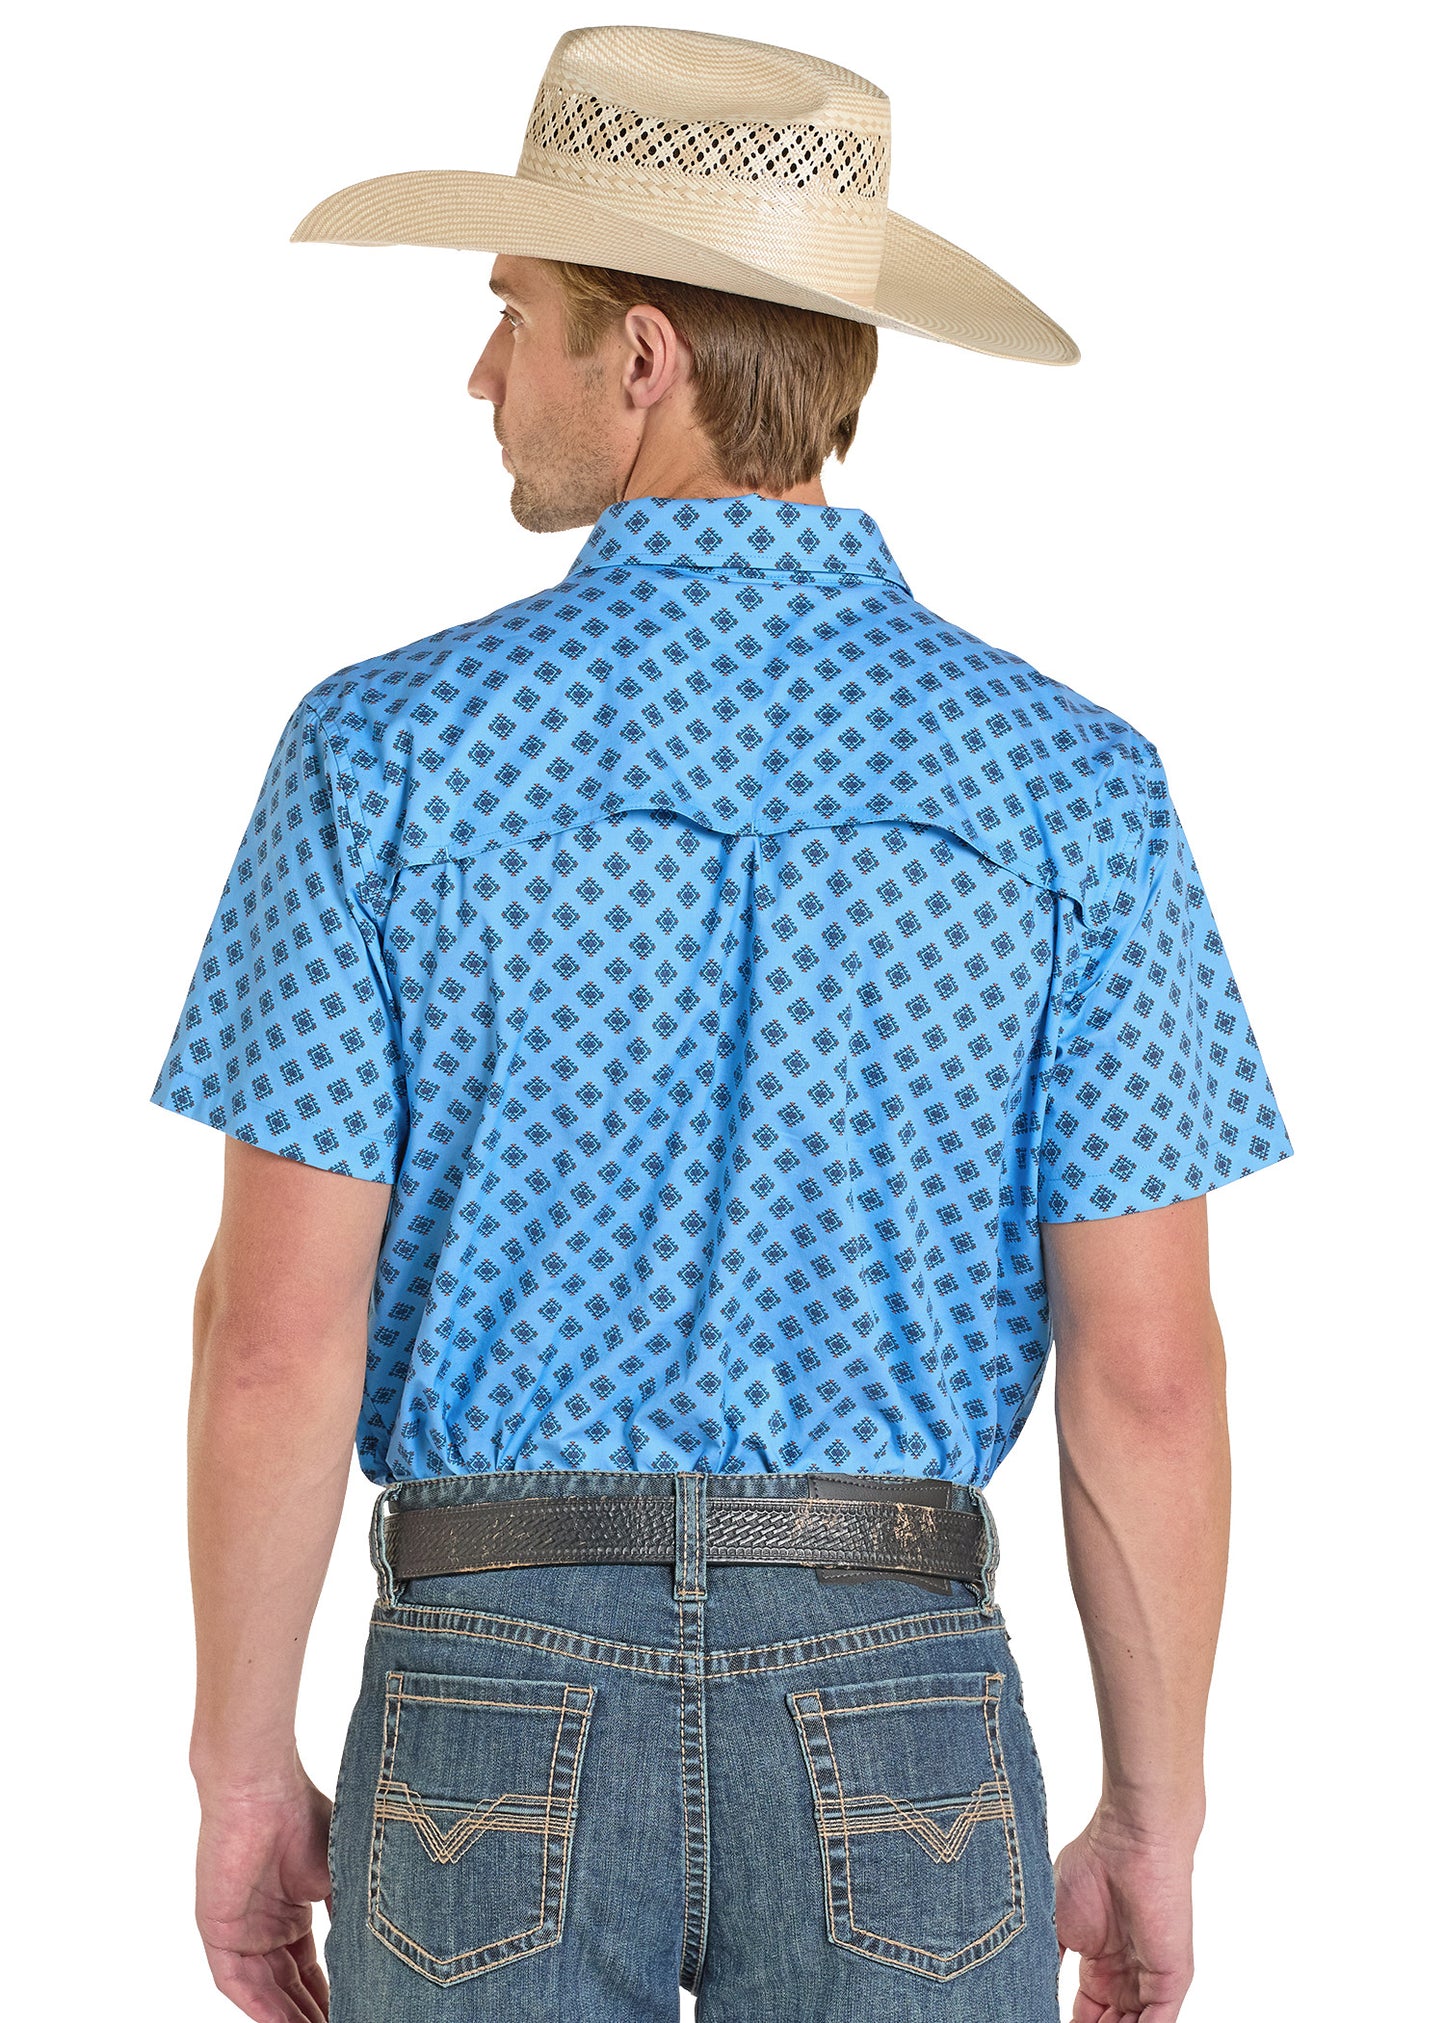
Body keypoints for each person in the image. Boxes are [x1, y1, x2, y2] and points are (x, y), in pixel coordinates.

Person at [149, 25, 1294, 2023]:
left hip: (487, 1682)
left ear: (647, 355)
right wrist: (1155, 1814)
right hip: (906, 1700)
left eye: (519, 318)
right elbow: (1153, 1373)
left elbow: (274, 1333)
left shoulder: (386, 754)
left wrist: (242, 1774)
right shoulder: (1071, 785)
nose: (485, 374)